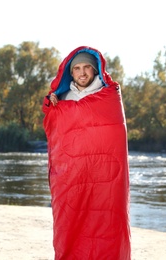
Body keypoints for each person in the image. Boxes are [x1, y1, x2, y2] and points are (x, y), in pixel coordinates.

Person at [42, 46, 131, 259]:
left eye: (87, 68)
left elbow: (114, 134)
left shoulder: (108, 95)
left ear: (96, 69)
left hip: (105, 176)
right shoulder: (62, 97)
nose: (82, 73)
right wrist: (52, 107)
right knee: (70, 223)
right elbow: (57, 133)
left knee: (107, 224)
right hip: (72, 176)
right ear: (70, 73)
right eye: (77, 69)